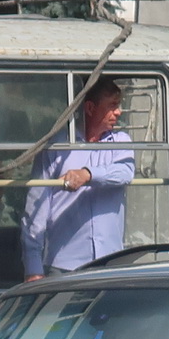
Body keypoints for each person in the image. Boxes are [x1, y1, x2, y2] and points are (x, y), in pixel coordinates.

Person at [21, 78, 135, 279]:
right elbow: (37, 207)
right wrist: (33, 266)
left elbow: (125, 173)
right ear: (90, 108)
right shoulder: (57, 147)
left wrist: (87, 174)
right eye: (112, 106)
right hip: (64, 264)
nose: (118, 112)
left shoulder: (121, 142)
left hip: (110, 262)